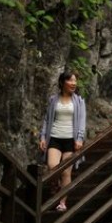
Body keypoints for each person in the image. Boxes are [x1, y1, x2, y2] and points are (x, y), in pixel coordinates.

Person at [38, 70, 86, 212]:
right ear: (62, 83)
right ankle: (55, 185)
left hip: (70, 140)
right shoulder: (53, 100)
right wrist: (42, 136)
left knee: (66, 172)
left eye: (75, 81)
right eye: (70, 80)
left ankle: (62, 202)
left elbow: (82, 121)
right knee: (53, 167)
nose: (73, 83)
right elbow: (47, 119)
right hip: (54, 137)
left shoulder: (79, 101)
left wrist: (79, 138)